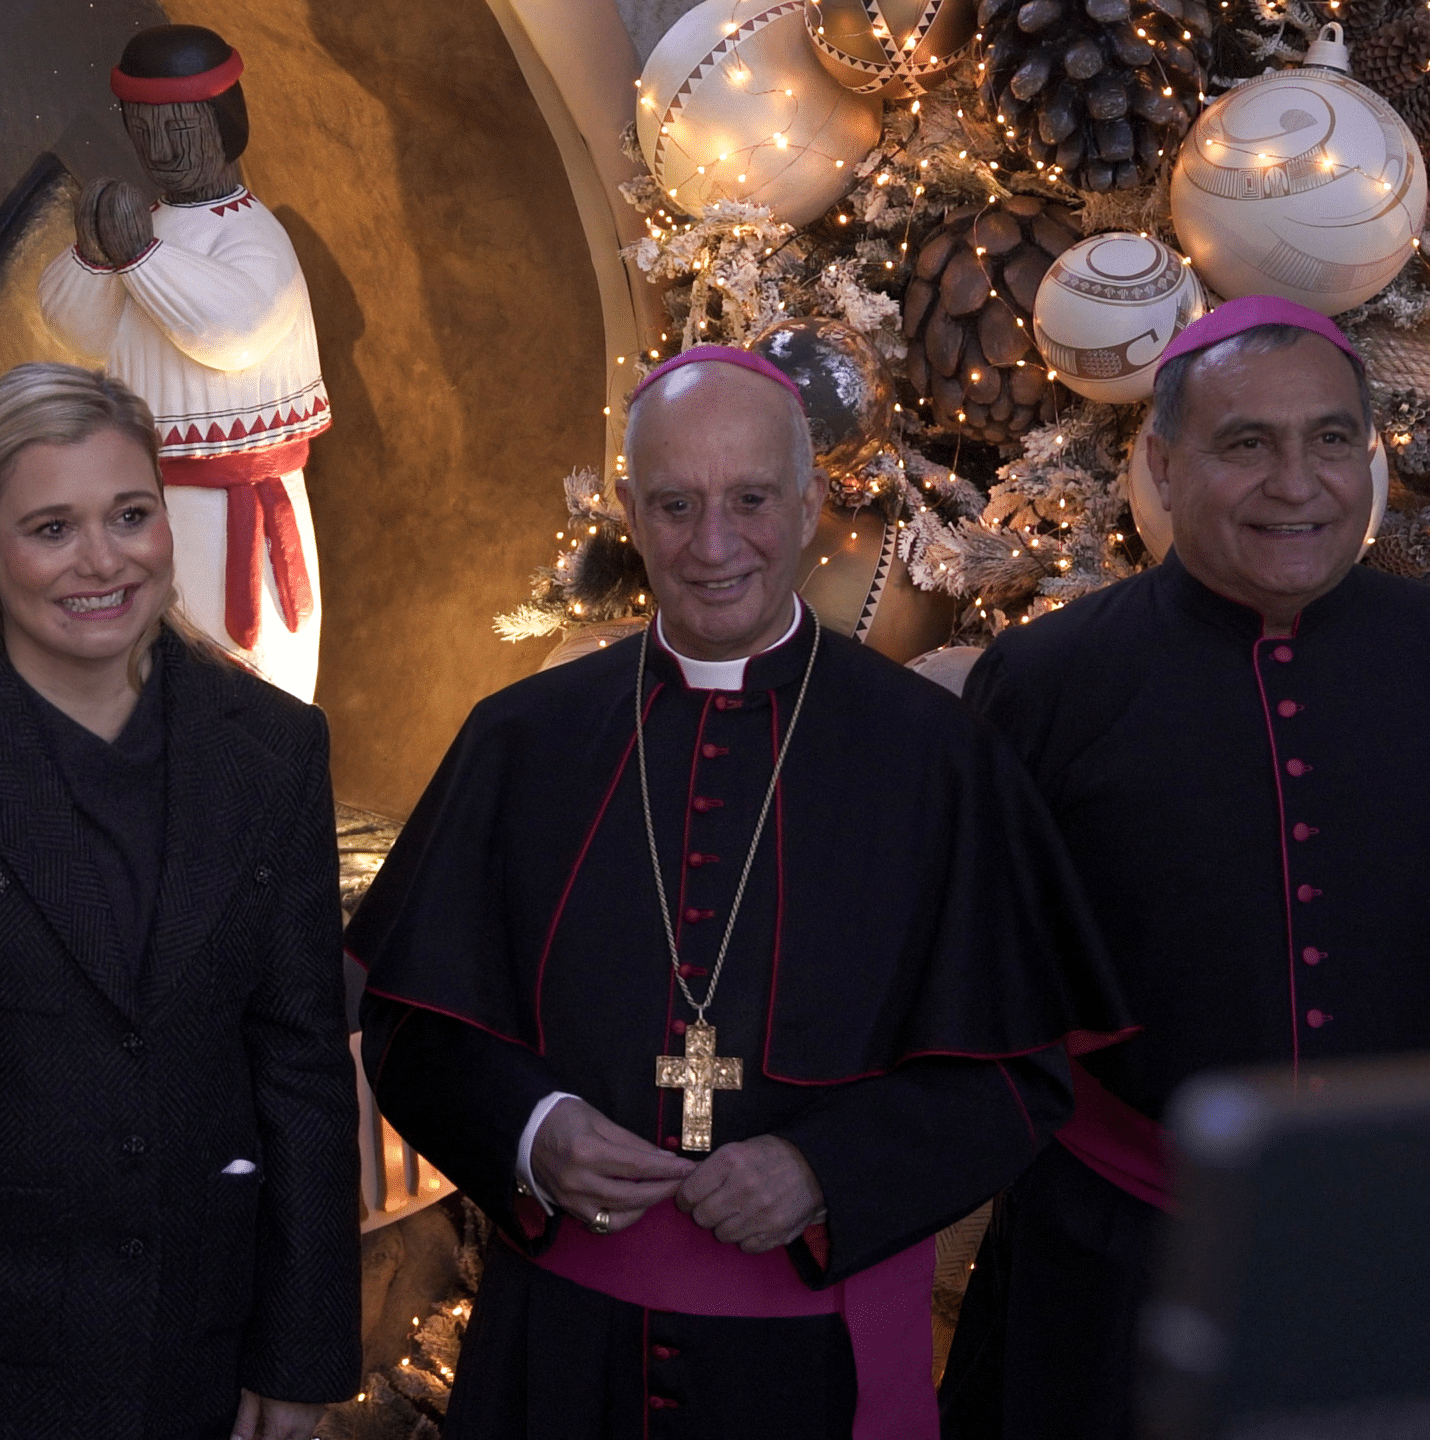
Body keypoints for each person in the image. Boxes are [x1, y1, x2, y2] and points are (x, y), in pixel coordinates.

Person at [350, 347, 1129, 1438]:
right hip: (558, 1359)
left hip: (815, 1368)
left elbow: (1016, 1077)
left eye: (751, 500)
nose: (712, 547)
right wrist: (532, 1130)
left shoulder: (935, 759)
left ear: (811, 503)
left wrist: (827, 1168)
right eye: (674, 504)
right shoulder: (524, 740)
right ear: (629, 509)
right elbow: (407, 1024)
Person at [941, 298, 1430, 1439]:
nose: (1297, 483)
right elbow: (991, 969)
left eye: (1330, 438)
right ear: (1162, 465)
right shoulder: (1044, 681)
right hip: (1118, 1244)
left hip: (1405, 1243)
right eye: (1245, 443)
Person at [0, 363, 360, 1440]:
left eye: (129, 515)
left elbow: (303, 1067)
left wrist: (302, 1359)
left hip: (211, 1360)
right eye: (52, 527)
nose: (102, 560)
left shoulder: (275, 749)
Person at [39, 23, 333, 701]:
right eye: (145, 130)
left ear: (225, 124)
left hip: (236, 509)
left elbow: (235, 332)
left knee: (245, 668)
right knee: (155, 669)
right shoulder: (146, 225)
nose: (161, 149)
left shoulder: (254, 233)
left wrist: (139, 256)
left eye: (181, 128)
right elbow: (77, 326)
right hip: (142, 503)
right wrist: (93, 251)